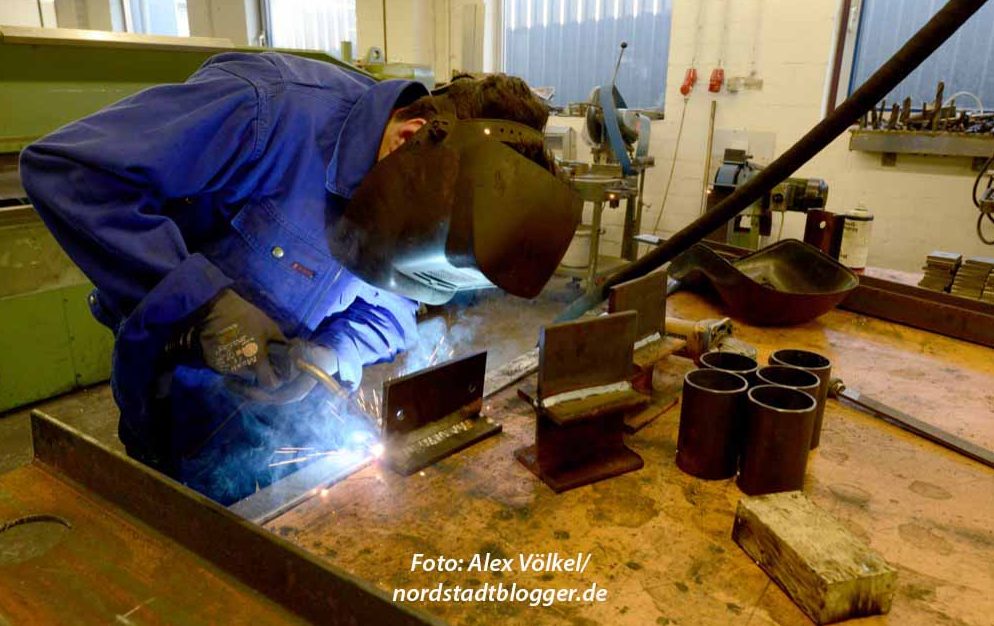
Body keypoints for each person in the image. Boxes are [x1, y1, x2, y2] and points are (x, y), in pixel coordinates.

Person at [19, 51, 567, 504]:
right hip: (174, 400)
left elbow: (394, 309)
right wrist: (202, 303)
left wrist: (335, 352)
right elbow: (69, 172)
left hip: (280, 421)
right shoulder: (267, 108)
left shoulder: (423, 198)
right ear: (409, 138)